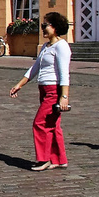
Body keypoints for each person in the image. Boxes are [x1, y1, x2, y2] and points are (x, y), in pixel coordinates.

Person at [10, 11, 73, 171]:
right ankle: (59, 159)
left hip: (53, 90)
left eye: (45, 25)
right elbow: (35, 67)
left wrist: (64, 96)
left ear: (55, 27)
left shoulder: (62, 46)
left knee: (40, 123)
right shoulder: (46, 46)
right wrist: (20, 84)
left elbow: (64, 73)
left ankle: (43, 159)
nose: (42, 28)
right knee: (52, 125)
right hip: (44, 88)